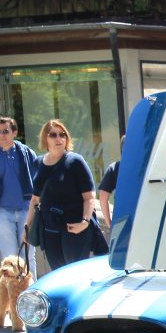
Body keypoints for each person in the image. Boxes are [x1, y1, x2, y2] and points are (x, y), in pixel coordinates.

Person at [26, 120, 97, 272]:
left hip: (74, 227)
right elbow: (35, 200)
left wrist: (84, 222)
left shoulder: (75, 161)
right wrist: (27, 226)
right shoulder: (38, 162)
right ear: (45, 138)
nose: (59, 138)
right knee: (58, 273)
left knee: (76, 273)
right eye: (53, 135)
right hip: (49, 228)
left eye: (62, 134)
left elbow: (90, 197)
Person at [0, 116, 37, 261]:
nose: (2, 135)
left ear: (14, 133)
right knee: (9, 258)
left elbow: (38, 179)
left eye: (5, 131)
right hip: (3, 213)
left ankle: (30, 279)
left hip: (27, 211)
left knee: (27, 256)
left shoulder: (26, 153)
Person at [96, 135, 124, 228]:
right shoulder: (146, 168)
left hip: (121, 218)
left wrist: (109, 223)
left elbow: (103, 197)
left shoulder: (115, 167)